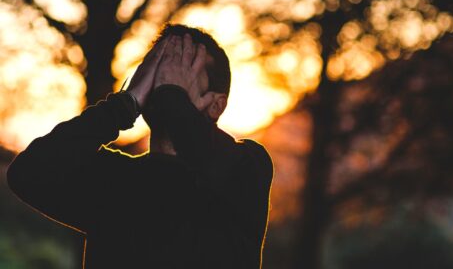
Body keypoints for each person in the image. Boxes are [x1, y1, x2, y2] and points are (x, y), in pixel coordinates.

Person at [7, 23, 274, 269]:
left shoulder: (246, 166)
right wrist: (125, 104)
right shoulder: (114, 179)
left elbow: (213, 160)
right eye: (159, 66)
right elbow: (29, 172)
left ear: (217, 105)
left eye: (181, 69)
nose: (164, 79)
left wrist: (172, 96)